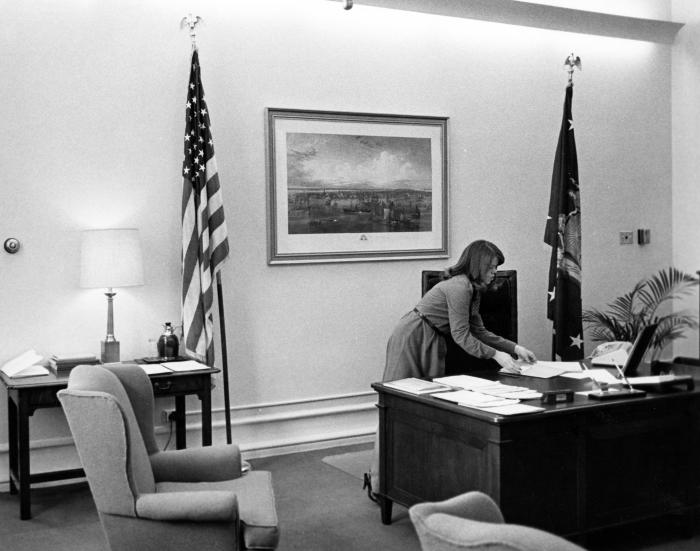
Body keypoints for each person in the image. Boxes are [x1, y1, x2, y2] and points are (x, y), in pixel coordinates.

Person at [364, 240, 537, 501]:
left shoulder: (474, 289)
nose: (494, 274)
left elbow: (479, 331)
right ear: (477, 265)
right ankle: (378, 482)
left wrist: (514, 347)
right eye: (490, 268)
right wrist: (496, 355)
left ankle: (418, 479)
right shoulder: (459, 287)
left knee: (427, 411)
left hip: (432, 339)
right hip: (413, 338)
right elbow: (461, 335)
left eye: (496, 268)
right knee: (395, 410)